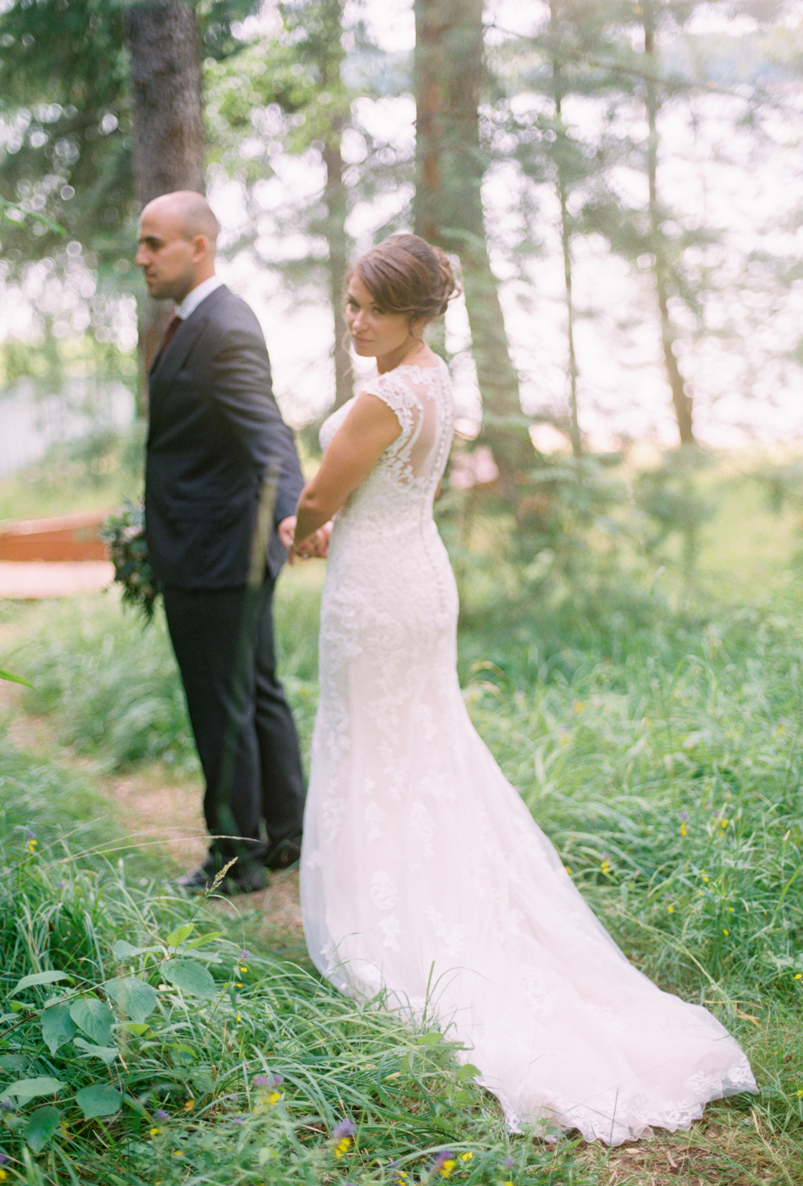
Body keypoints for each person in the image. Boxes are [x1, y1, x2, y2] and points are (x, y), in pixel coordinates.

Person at [283, 233, 757, 1143]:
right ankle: (426, 882)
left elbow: (322, 498)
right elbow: (390, 494)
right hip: (411, 571)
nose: (354, 320)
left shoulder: (383, 395)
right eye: (348, 302)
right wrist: (330, 527)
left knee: (381, 746)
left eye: (370, 308)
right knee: (419, 747)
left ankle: (388, 923)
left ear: (414, 314)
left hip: (379, 595)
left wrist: (296, 526)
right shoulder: (435, 378)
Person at [136, 189, 312, 895]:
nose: (142, 257)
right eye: (141, 243)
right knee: (255, 691)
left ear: (198, 247)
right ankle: (286, 833)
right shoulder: (193, 322)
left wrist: (299, 510)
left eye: (155, 243)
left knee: (222, 702)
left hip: (218, 556)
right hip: (221, 544)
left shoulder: (224, 326)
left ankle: (235, 860)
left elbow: (269, 433)